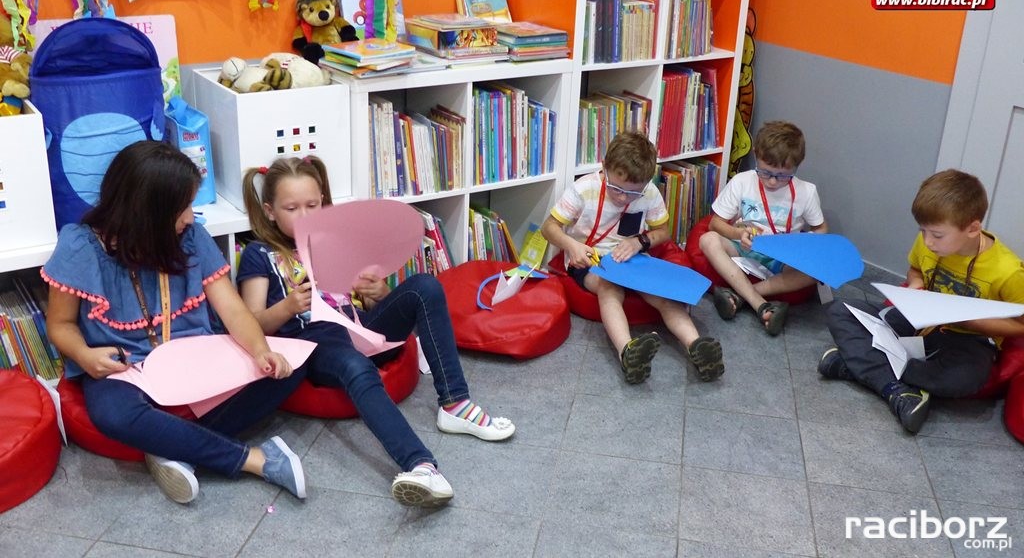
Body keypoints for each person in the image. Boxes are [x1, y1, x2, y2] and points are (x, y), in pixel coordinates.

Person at [235, 156, 515, 508]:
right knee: (354, 364)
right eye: (292, 208)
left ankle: (455, 403)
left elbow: (362, 303)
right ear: (270, 211)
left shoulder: (333, 243)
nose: (304, 216)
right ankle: (420, 465)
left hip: (360, 329)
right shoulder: (260, 254)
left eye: (313, 205)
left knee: (425, 287)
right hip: (314, 343)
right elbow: (252, 325)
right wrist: (288, 307)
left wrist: (379, 294)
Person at [43, 141, 307, 505]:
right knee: (113, 415)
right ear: (148, 213)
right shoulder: (80, 246)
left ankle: (171, 450)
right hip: (124, 366)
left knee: (289, 367)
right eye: (182, 208)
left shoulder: (191, 236)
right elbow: (59, 325)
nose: (190, 217)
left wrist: (262, 351)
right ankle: (256, 459)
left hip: (194, 354)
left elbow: (232, 310)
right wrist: (85, 356)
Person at [820, 169, 1024, 433]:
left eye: (937, 235)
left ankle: (865, 369)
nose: (927, 242)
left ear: (973, 228)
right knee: (840, 310)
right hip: (921, 321)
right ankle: (897, 389)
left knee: (965, 379)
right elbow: (915, 270)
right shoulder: (927, 242)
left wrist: (970, 321)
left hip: (968, 338)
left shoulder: (1008, 271)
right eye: (922, 231)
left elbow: (1020, 326)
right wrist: (915, 284)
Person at [541, 131, 724, 384]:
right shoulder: (584, 189)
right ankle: (627, 352)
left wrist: (640, 241)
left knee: (664, 296)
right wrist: (572, 246)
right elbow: (548, 227)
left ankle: (697, 347)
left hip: (632, 259)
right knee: (609, 288)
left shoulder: (649, 193)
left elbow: (663, 232)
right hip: (590, 259)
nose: (622, 198)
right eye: (616, 189)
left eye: (632, 193)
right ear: (604, 167)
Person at [698, 120, 827, 336]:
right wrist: (738, 233)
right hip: (744, 247)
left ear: (797, 165)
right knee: (707, 239)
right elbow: (715, 223)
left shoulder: (807, 192)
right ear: (756, 155)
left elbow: (821, 228)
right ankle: (760, 304)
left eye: (783, 176)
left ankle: (740, 297)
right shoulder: (742, 181)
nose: (773, 182)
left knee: (815, 271)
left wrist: (800, 244)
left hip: (782, 258)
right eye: (765, 172)